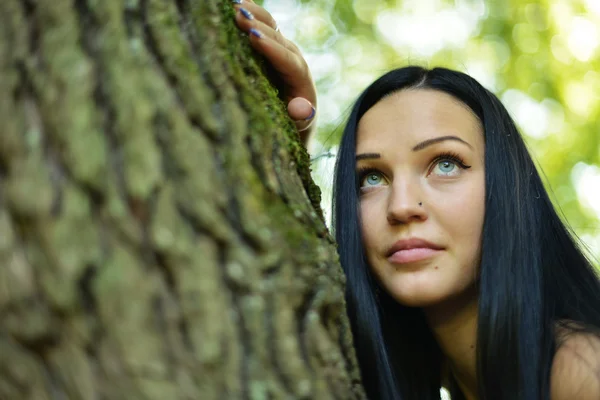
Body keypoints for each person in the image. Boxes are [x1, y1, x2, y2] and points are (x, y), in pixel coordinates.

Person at [233, 2, 600, 399]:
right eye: (371, 178)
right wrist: (285, 158)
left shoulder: (582, 370)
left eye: (445, 164)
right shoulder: (422, 371)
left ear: (507, 189)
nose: (402, 207)